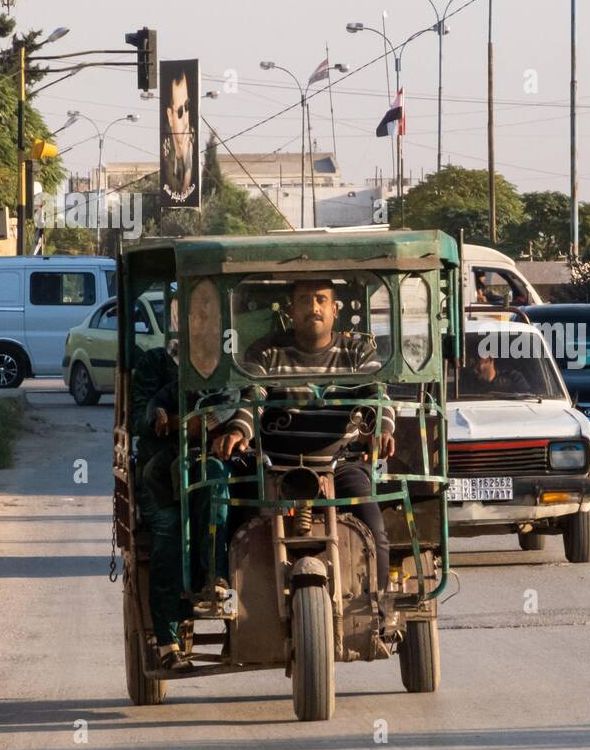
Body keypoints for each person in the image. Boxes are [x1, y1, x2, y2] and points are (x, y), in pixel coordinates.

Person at [219, 278, 396, 593]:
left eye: (320, 300)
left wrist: (382, 429)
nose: (313, 308)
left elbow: (377, 395)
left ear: (334, 309)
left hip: (340, 466)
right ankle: (231, 598)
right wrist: (238, 430)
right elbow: (252, 397)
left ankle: (379, 607)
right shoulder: (267, 352)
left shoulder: (357, 352)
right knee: (237, 526)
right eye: (303, 300)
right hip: (274, 468)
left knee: (375, 529)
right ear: (290, 309)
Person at [132, 297, 239, 672]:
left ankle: (221, 588)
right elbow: (143, 418)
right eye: (192, 315)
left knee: (237, 511)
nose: (200, 323)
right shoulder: (155, 364)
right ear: (179, 320)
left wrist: (213, 427)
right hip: (160, 475)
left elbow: (237, 405)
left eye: (208, 316)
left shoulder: (227, 368)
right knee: (169, 530)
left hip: (210, 465)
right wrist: (173, 422)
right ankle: (168, 639)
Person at [161, 69, 196, 202]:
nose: (186, 119)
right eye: (180, 112)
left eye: (187, 107)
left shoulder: (194, 141)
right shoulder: (166, 152)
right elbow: (177, 195)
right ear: (170, 117)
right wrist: (188, 170)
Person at [460, 351, 533, 396]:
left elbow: (527, 398)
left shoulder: (514, 378)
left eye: (477, 362)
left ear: (490, 359)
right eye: (472, 364)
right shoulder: (468, 383)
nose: (474, 369)